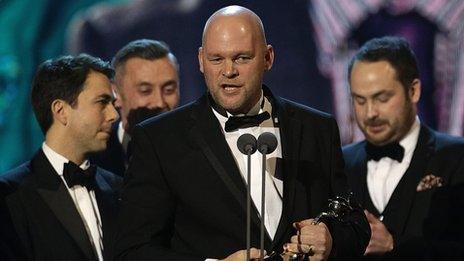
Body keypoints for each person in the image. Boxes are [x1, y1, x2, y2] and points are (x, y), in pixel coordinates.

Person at [115, 5, 370, 261]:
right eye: (217, 59)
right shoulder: (159, 139)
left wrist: (332, 240)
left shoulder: (316, 128)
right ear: (201, 61)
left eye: (242, 58)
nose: (229, 71)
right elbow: (132, 251)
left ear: (268, 58)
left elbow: (355, 223)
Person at [343, 36, 464, 259]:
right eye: (360, 100)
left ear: (414, 91)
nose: (370, 113)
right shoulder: (339, 162)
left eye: (382, 98)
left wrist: (395, 245)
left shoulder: (457, 157)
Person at [0, 54, 122, 261]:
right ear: (61, 110)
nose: (114, 115)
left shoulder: (118, 187)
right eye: (102, 102)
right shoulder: (10, 195)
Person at [90, 39, 180, 176]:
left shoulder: (200, 152)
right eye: (145, 91)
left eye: (169, 90)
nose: (160, 102)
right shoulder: (92, 160)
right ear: (116, 94)